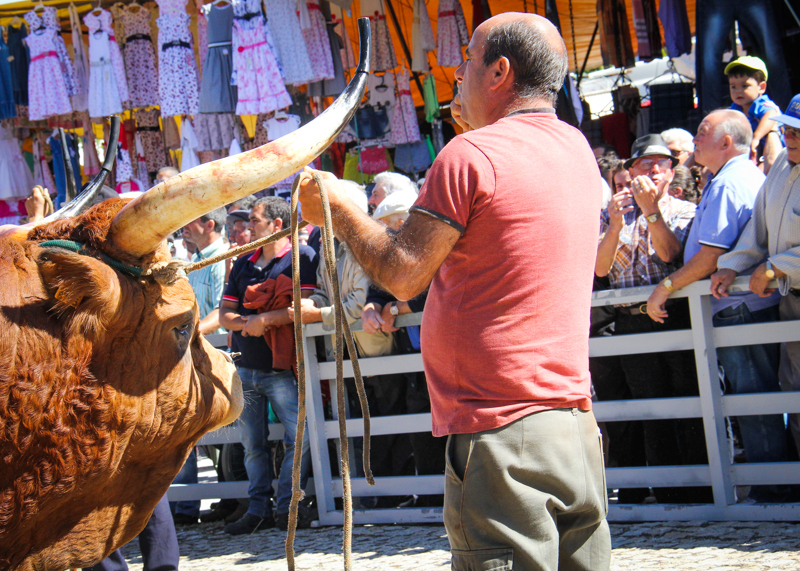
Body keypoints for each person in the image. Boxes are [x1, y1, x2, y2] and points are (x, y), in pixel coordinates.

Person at [299, 13, 611, 569]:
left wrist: (340, 213)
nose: (457, 73)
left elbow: (402, 273)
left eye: (468, 59)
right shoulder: (576, 149)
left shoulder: (471, 155)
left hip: (502, 428)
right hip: (573, 421)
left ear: (499, 72)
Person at [647, 109, 791, 503]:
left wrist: (666, 285)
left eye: (702, 132)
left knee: (753, 399)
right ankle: (773, 482)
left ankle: (774, 487)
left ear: (726, 142)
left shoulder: (730, 183)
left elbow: (710, 257)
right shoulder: (728, 178)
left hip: (740, 308)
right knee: (754, 396)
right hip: (741, 305)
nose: (695, 139)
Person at [596, 134, 712, 504]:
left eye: (662, 164)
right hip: (630, 321)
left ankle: (702, 486)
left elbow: (671, 255)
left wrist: (651, 212)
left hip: (674, 315)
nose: (654, 170)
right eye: (645, 164)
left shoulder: (685, 210)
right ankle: (666, 489)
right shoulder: (609, 214)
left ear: (671, 170)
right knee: (649, 405)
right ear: (630, 172)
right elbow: (599, 268)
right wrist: (614, 225)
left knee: (687, 399)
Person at [219, 197, 318, 534]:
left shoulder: (301, 258)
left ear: (278, 225)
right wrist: (253, 322)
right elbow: (225, 315)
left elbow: (307, 305)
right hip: (247, 366)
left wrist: (262, 319)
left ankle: (288, 506)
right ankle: (260, 508)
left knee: (298, 438)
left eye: (256, 221)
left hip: (282, 368)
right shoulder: (243, 263)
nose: (249, 227)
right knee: (252, 445)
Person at [712, 93, 800, 458]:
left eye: (796, 130)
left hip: (787, 286)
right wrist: (733, 264)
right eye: (787, 127)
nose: (788, 135)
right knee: (794, 394)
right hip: (792, 301)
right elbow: (758, 227)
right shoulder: (780, 165)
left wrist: (772, 267)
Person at [725, 56, 783, 172]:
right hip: (753, 153)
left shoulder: (761, 103)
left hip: (773, 151)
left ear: (761, 87)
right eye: (733, 86)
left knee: (762, 172)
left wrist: (756, 137)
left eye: (744, 86)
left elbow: (771, 114)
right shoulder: (736, 107)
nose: (738, 91)